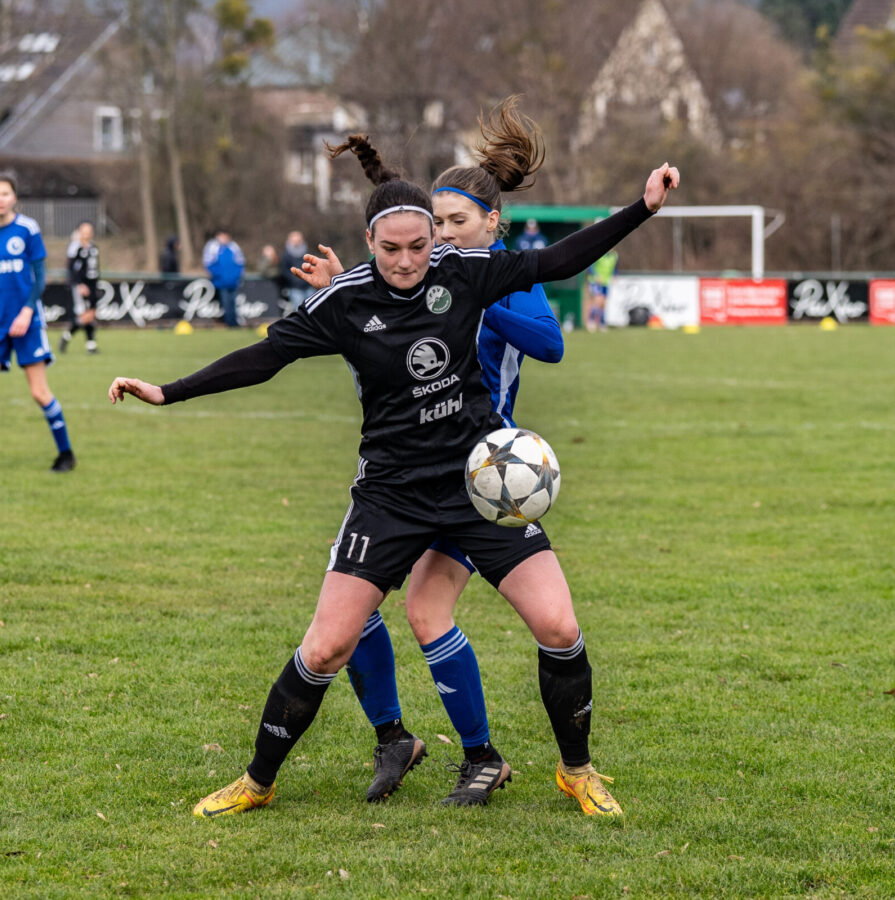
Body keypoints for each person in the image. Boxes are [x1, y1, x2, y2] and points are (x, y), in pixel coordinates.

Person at [108, 135, 679, 820]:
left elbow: (557, 260)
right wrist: (168, 391)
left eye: (420, 246)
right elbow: (264, 358)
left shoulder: (462, 272)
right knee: (326, 645)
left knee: (558, 625)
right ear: (369, 243)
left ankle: (576, 771)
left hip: (476, 487)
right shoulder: (343, 301)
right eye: (392, 249)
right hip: (390, 496)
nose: (408, 261)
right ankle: (257, 782)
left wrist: (642, 208)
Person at [294, 97, 568, 807]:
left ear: (490, 224)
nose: (441, 237)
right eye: (435, 224)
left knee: (426, 612)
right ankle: (395, 738)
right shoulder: (421, 277)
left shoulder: (492, 275)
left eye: (454, 224)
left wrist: (471, 294)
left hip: (478, 477)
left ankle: (481, 755)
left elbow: (550, 343)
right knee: (355, 611)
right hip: (404, 472)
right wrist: (342, 296)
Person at [0, 172, 75, 473]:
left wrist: (27, 311)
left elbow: (40, 277)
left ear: (14, 197)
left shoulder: (27, 228)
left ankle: (66, 453)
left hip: (27, 323)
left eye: (5, 193)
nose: (0, 199)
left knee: (39, 392)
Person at [61, 221, 100, 354]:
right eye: (84, 231)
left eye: (89, 231)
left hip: (92, 285)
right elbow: (71, 269)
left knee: (91, 314)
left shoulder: (93, 247)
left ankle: (90, 345)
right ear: (79, 232)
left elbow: (95, 268)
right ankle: (68, 336)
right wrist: (79, 284)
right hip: (81, 285)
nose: (87, 234)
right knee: (85, 315)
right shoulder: (75, 247)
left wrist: (96, 285)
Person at [202, 229, 246, 327]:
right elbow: (208, 264)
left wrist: (237, 276)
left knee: (233, 303)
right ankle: (229, 323)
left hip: (233, 282)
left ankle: (234, 323)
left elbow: (240, 263)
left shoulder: (233, 246)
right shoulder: (213, 246)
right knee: (225, 303)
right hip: (221, 282)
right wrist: (219, 276)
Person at [278, 230, 312, 315]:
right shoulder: (286, 255)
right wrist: (295, 279)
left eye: (298, 240)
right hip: (294, 287)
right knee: (299, 309)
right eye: (294, 241)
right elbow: (284, 271)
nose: (296, 243)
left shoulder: (307, 252)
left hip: (308, 285)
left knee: (313, 307)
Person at [585, 249, 618, 332]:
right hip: (595, 281)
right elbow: (590, 266)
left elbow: (615, 268)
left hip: (605, 282)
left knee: (603, 303)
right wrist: (595, 275)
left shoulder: (614, 256)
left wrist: (615, 275)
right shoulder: (599, 253)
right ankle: (591, 321)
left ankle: (602, 323)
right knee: (597, 300)